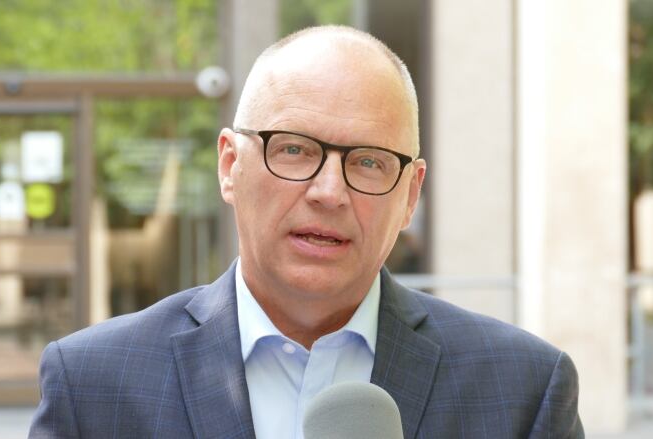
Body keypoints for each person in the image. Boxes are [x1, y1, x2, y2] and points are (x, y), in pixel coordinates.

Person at [29, 25, 584, 439]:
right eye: (294, 149)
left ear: (410, 193)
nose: (329, 192)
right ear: (229, 166)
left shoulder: (523, 391)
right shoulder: (93, 386)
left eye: (368, 161)